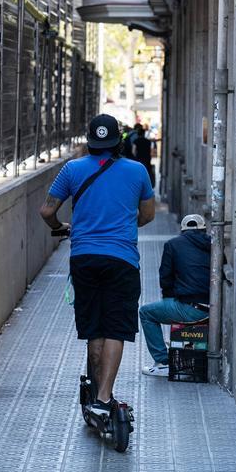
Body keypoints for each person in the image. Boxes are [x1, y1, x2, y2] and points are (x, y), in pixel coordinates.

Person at [39, 114, 156, 421]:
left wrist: (62, 226)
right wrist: (127, 223)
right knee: (116, 326)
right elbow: (148, 214)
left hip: (85, 258)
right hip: (122, 260)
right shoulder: (137, 171)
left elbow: (46, 210)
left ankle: (94, 392)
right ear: (119, 141)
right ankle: (104, 397)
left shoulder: (72, 169)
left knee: (94, 327)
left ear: (90, 142)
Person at [140, 214, 211, 376]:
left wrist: (169, 300)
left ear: (183, 230)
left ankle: (163, 362)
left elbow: (166, 278)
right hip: (212, 309)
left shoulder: (173, 244)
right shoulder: (213, 245)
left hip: (190, 308)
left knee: (146, 312)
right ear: (203, 229)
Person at [127, 123, 156, 189]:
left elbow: (133, 151)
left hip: (139, 160)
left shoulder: (136, 141)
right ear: (143, 134)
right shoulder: (148, 141)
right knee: (147, 174)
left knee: (138, 174)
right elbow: (151, 150)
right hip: (147, 160)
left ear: (138, 134)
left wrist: (135, 157)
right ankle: (146, 187)